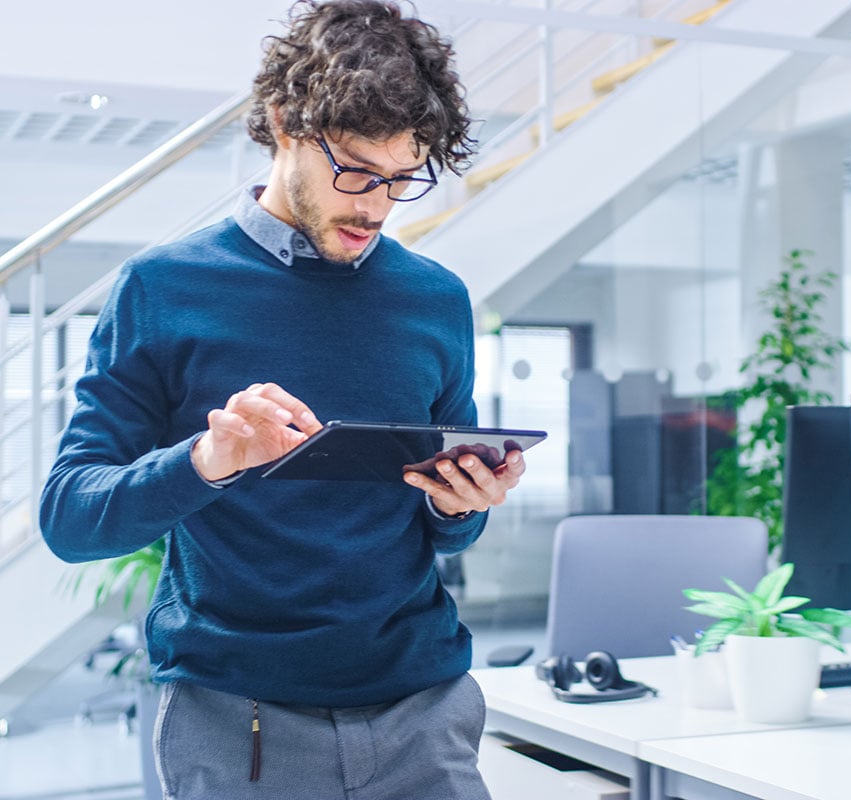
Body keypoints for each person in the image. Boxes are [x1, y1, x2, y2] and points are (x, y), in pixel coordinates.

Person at [39, 2, 520, 797]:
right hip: (241, 723)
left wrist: (459, 503)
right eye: (356, 171)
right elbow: (70, 518)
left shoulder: (436, 299)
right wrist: (207, 459)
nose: (376, 206)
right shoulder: (162, 290)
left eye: (402, 179)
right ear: (285, 124)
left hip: (423, 713)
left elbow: (444, 531)